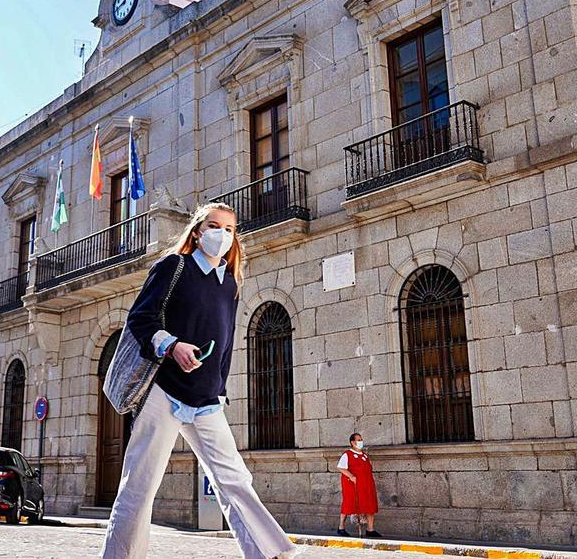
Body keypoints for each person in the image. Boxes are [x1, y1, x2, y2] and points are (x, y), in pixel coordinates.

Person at [100, 202, 297, 559]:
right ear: (197, 230)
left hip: (206, 400)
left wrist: (219, 388)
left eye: (229, 228)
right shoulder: (174, 266)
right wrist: (172, 346)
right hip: (163, 391)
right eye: (214, 225)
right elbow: (140, 319)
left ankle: (269, 553)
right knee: (139, 487)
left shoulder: (231, 282)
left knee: (235, 481)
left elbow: (224, 343)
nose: (221, 234)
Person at [336, 432, 379, 538]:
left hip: (367, 485)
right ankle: (341, 527)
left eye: (361, 439)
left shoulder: (364, 455)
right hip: (353, 485)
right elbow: (341, 468)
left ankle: (370, 529)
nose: (360, 442)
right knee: (349, 504)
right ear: (352, 442)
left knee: (369, 505)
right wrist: (351, 476)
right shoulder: (347, 454)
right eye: (358, 440)